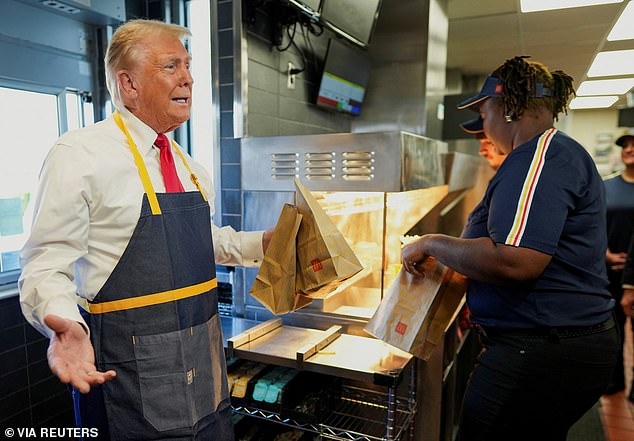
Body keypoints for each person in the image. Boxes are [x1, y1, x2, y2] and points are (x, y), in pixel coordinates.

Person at [19, 19, 271, 440]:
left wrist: (260, 243)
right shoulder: (79, 155)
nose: (188, 77)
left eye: (188, 65)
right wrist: (64, 323)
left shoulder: (189, 165)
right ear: (129, 84)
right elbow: (45, 263)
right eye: (171, 66)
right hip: (127, 387)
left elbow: (198, 242)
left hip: (204, 378)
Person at [402, 56, 619, 441]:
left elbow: (516, 262)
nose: (484, 132)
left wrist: (431, 241)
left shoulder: (537, 158)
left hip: (543, 349)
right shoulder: (550, 155)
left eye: (483, 116)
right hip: (554, 344)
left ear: (508, 105)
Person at [603, 128, 634, 394]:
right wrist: (606, 253)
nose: (629, 150)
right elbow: (592, 226)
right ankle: (614, 381)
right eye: (625, 146)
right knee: (613, 329)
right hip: (610, 269)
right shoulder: (607, 186)